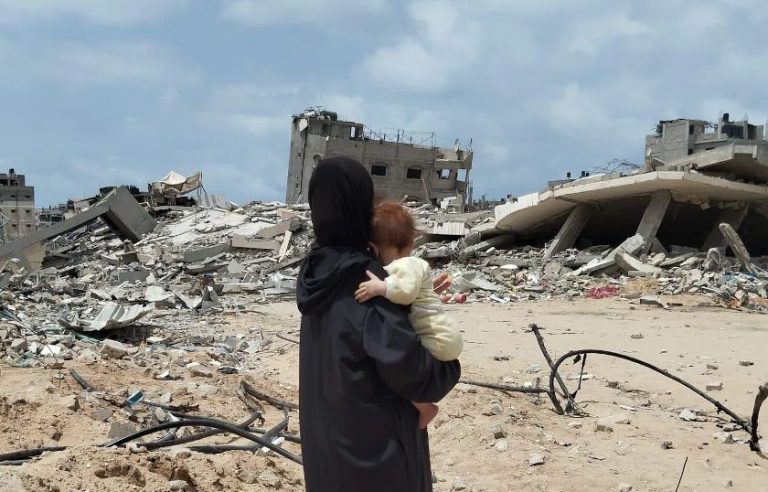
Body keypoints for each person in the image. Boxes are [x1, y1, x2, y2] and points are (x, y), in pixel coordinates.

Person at [297, 157, 461, 492]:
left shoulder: (316, 273)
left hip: (327, 451)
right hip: (377, 457)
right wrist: (447, 366)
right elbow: (412, 370)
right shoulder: (365, 278)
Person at [354, 202, 463, 429]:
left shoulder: (404, 264)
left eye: (378, 252)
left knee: (398, 368)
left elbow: (404, 293)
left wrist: (380, 288)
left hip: (438, 339)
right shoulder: (411, 265)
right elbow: (417, 295)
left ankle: (425, 406)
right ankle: (424, 406)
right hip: (443, 336)